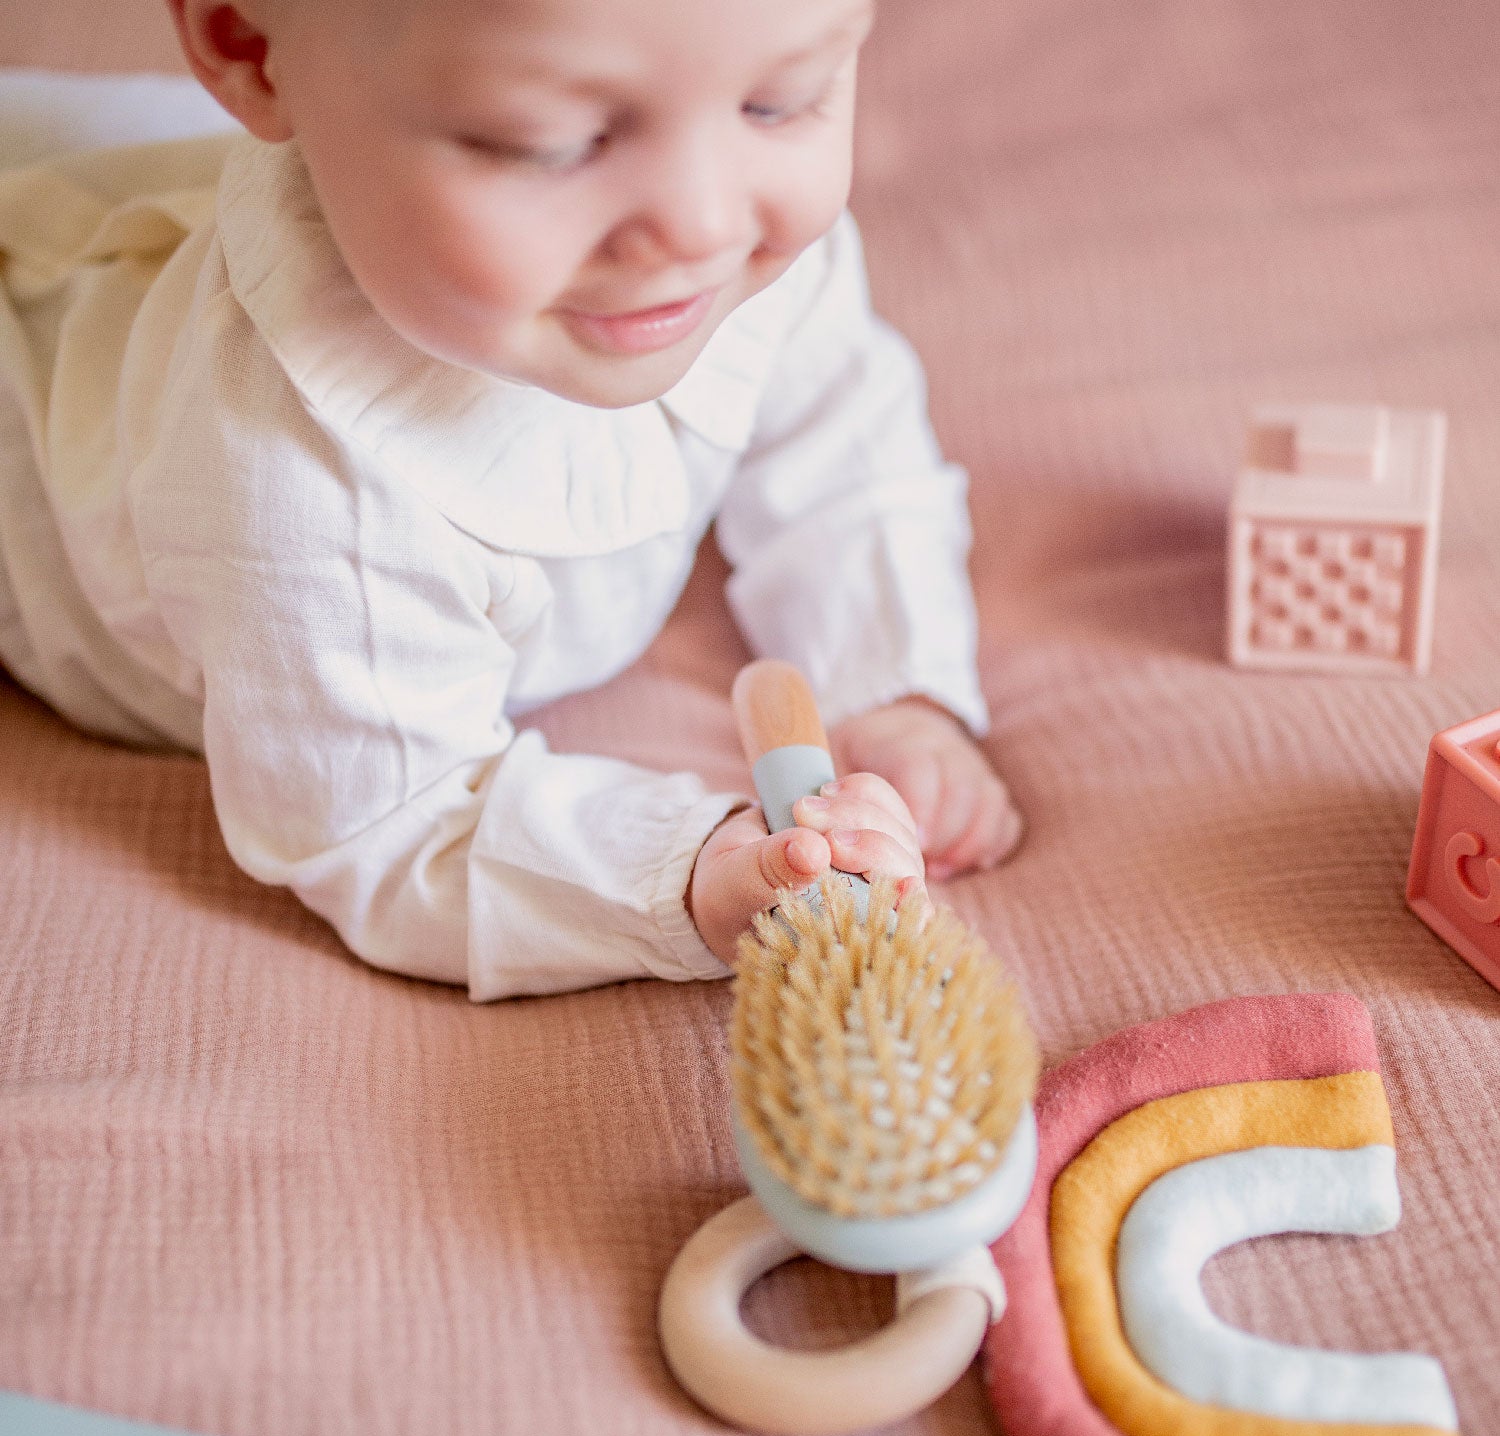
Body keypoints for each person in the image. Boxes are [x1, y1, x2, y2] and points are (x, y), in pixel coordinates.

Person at [0, 0, 1021, 998]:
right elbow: (397, 828)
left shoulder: (747, 238)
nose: (702, 223)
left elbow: (846, 451)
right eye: (551, 143)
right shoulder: (293, 486)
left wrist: (893, 688)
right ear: (249, 45)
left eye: (783, 101)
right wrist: (685, 871)